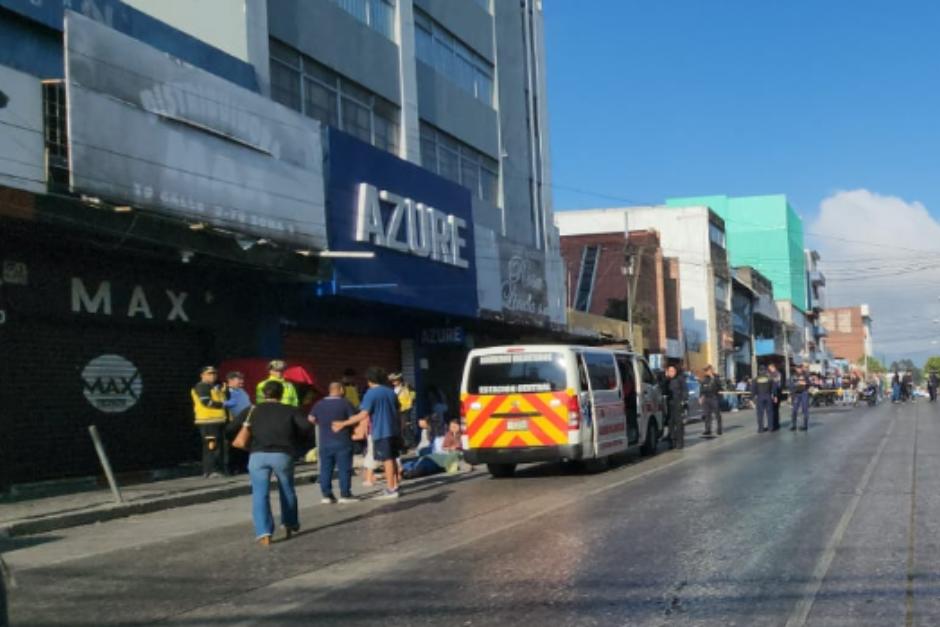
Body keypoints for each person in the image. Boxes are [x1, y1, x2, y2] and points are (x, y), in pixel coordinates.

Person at [228, 380, 311, 546]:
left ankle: (264, 533)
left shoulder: (252, 410)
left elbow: (230, 429)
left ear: (263, 393)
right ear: (281, 394)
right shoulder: (290, 410)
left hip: (257, 455)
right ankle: (289, 523)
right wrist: (295, 442)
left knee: (260, 493)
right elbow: (306, 427)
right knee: (287, 488)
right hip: (282, 454)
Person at [334, 367, 403, 498]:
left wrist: (344, 423)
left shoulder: (371, 393)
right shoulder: (391, 392)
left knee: (387, 460)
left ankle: (391, 489)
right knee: (393, 458)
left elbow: (363, 414)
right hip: (394, 430)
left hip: (381, 431)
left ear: (370, 380)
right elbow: (398, 412)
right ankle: (395, 484)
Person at [310, 382, 357, 504]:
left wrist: (322, 423)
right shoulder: (345, 403)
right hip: (342, 440)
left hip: (324, 441)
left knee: (325, 469)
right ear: (341, 389)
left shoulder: (319, 404)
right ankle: (345, 494)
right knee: (344, 468)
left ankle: (327, 495)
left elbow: (311, 418)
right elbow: (354, 419)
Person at [191, 366, 227, 478]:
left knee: (218, 447)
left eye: (214, 373)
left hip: (217, 421)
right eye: (209, 373)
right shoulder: (202, 386)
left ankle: (216, 470)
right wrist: (223, 404)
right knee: (212, 446)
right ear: (202, 375)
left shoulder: (214, 387)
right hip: (207, 421)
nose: (213, 376)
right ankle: (211, 470)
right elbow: (206, 402)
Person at [223, 371, 252, 474]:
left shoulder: (242, 391)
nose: (242, 381)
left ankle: (243, 466)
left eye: (242, 379)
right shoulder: (226, 391)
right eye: (239, 379)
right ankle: (232, 468)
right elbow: (222, 404)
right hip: (233, 422)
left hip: (245, 422)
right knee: (233, 447)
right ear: (230, 380)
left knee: (244, 445)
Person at [662, 365, 687, 449]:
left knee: (679, 423)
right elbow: (663, 390)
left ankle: (680, 442)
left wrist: (684, 400)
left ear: (676, 371)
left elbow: (685, 390)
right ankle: (671, 441)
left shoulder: (680, 379)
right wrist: (666, 378)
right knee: (670, 423)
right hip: (669, 403)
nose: (671, 373)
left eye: (673, 371)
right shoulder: (667, 380)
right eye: (670, 371)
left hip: (678, 403)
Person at [389, 373, 416, 450]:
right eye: (392, 380)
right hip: (397, 410)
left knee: (406, 426)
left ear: (399, 380)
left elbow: (413, 394)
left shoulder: (407, 386)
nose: (393, 382)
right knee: (399, 428)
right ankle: (403, 444)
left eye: (395, 380)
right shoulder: (392, 389)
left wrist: (411, 402)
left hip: (406, 409)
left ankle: (412, 443)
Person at [751, 366, 778, 433]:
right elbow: (774, 388)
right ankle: (770, 428)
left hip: (760, 397)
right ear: (765, 371)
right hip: (768, 396)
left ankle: (760, 429)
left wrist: (752, 398)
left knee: (760, 413)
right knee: (770, 413)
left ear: (759, 371)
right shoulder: (770, 379)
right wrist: (775, 396)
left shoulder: (755, 379)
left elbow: (753, 389)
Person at [700, 365, 723, 437]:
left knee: (717, 414)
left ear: (711, 370)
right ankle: (707, 429)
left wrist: (713, 378)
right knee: (707, 415)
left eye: (708, 370)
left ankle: (719, 429)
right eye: (706, 370)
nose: (707, 372)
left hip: (714, 397)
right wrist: (700, 397)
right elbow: (701, 388)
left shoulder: (716, 377)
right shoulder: (704, 379)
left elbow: (720, 386)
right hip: (706, 398)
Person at [790, 365, 811, 431]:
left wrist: (805, 383)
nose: (799, 369)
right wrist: (796, 383)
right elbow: (789, 384)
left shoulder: (805, 375)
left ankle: (805, 426)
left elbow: (809, 383)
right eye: (797, 368)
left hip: (804, 393)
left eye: (800, 368)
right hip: (796, 394)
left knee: (805, 409)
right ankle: (794, 425)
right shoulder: (793, 376)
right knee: (794, 410)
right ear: (796, 369)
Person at [768, 364, 783, 431]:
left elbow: (777, 384)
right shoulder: (772, 374)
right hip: (775, 393)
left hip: (776, 393)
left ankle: (775, 424)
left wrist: (775, 395)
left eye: (770, 368)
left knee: (775, 409)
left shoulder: (777, 374)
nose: (769, 370)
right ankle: (775, 424)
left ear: (773, 367)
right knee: (775, 409)